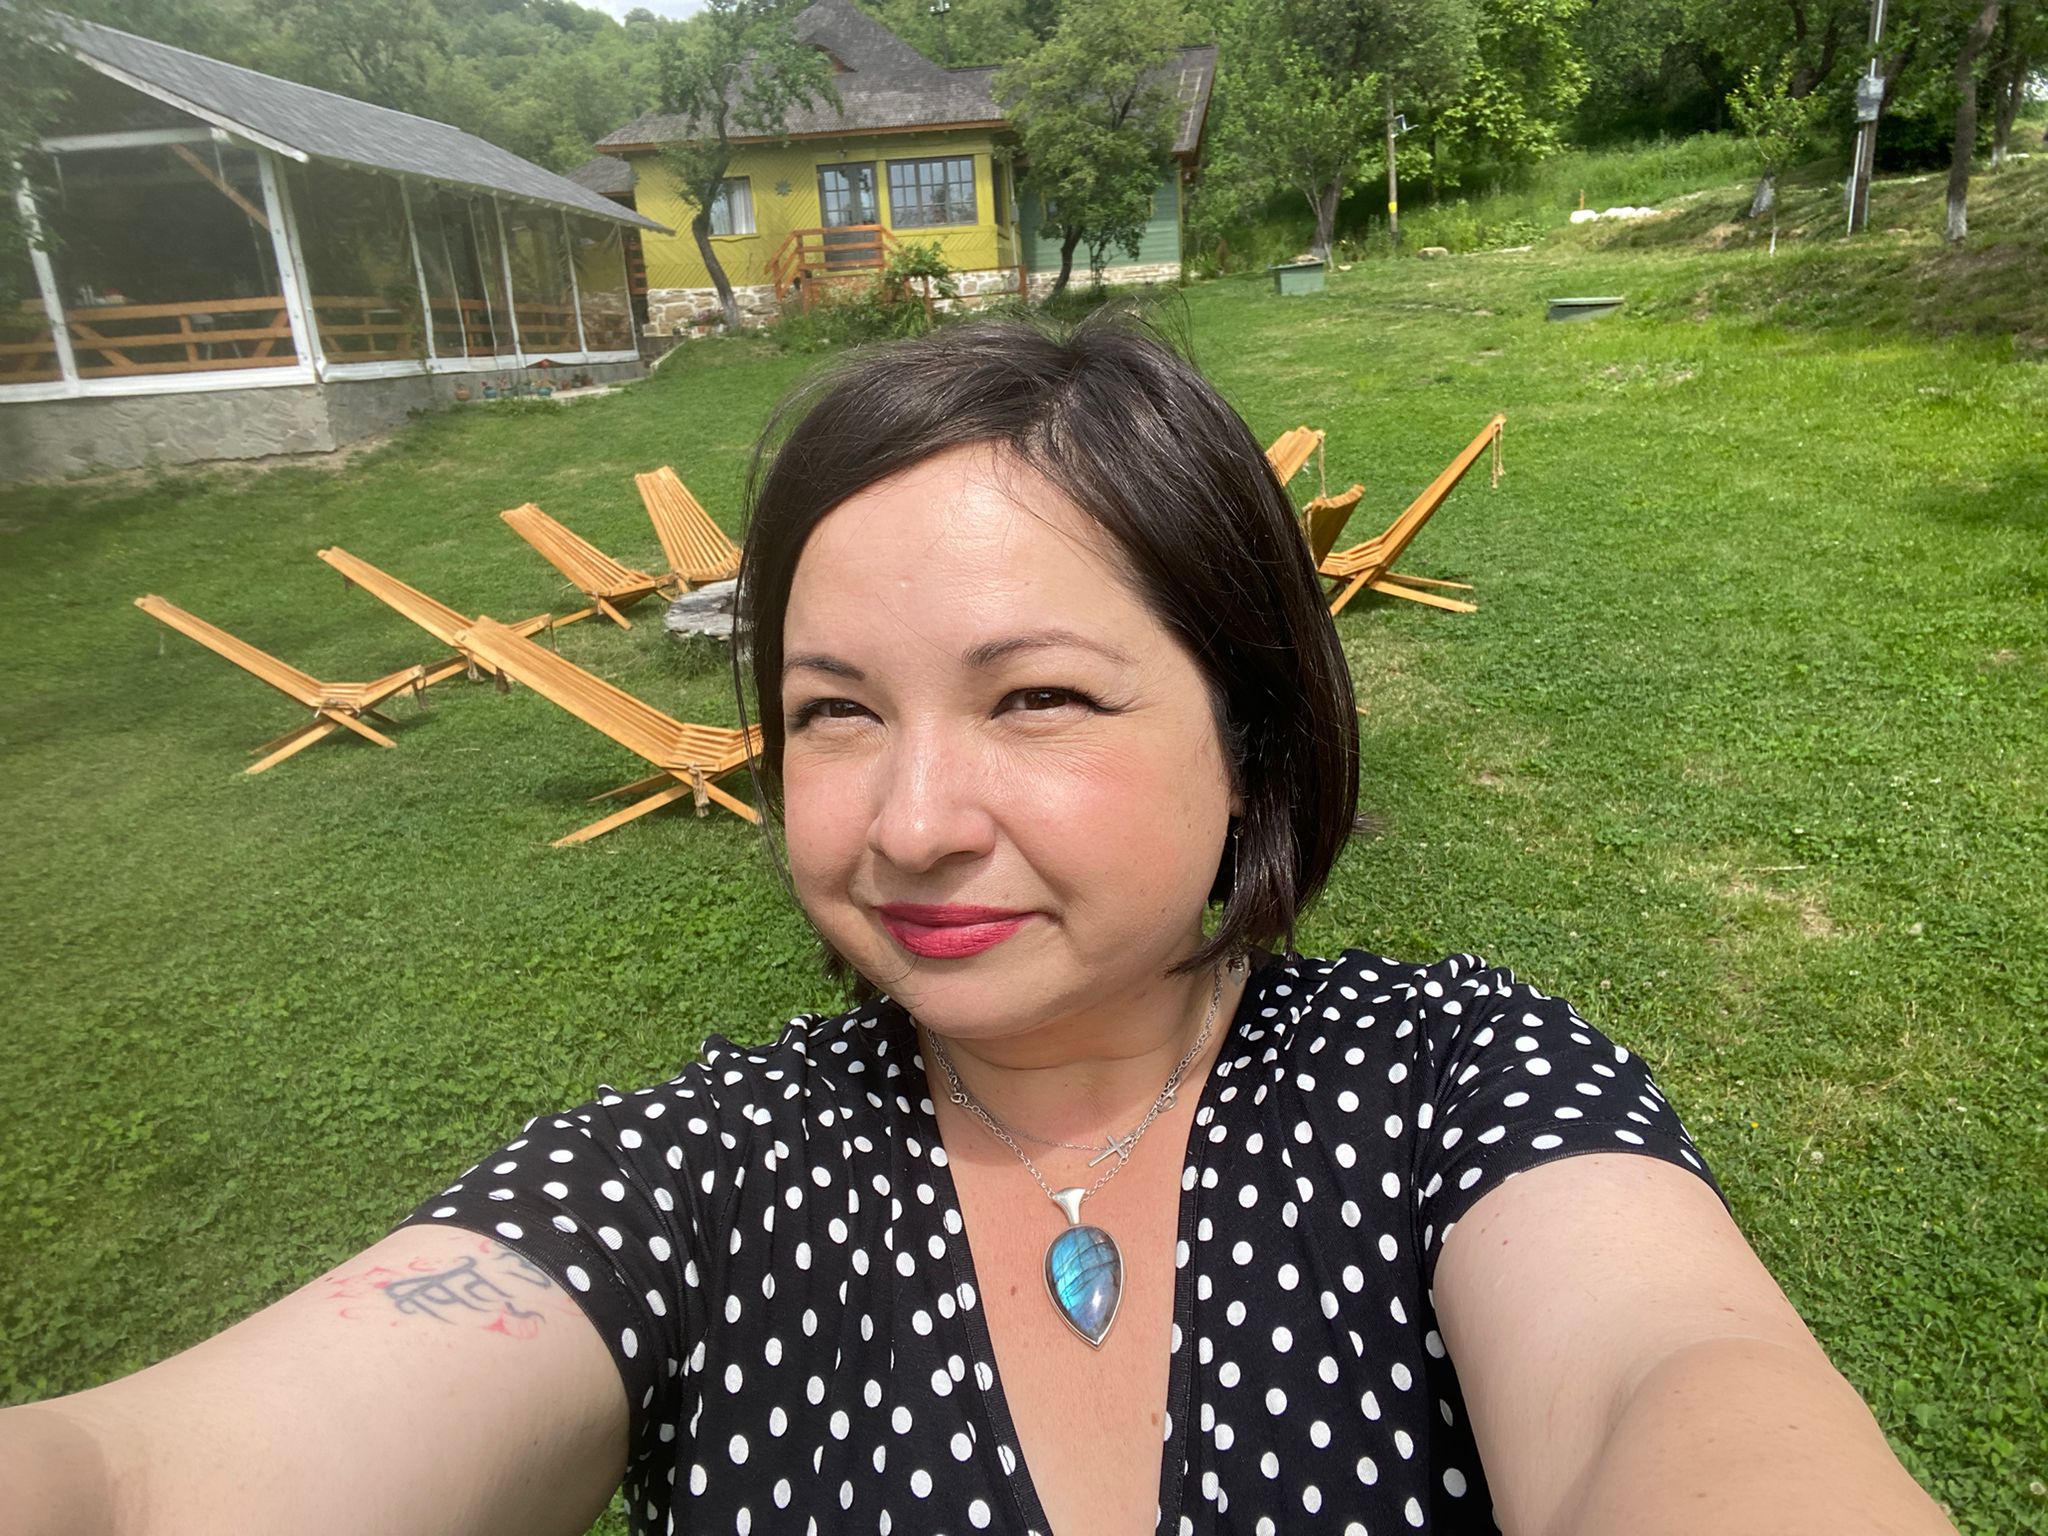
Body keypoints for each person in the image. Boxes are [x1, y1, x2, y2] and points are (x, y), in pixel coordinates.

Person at [2, 317, 1954, 1536]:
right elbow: (138, 1483)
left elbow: (1667, 1391)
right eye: (834, 711)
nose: (913, 823)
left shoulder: (1461, 1087)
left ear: (1251, 739)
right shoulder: (702, 1179)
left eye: (1037, 698)